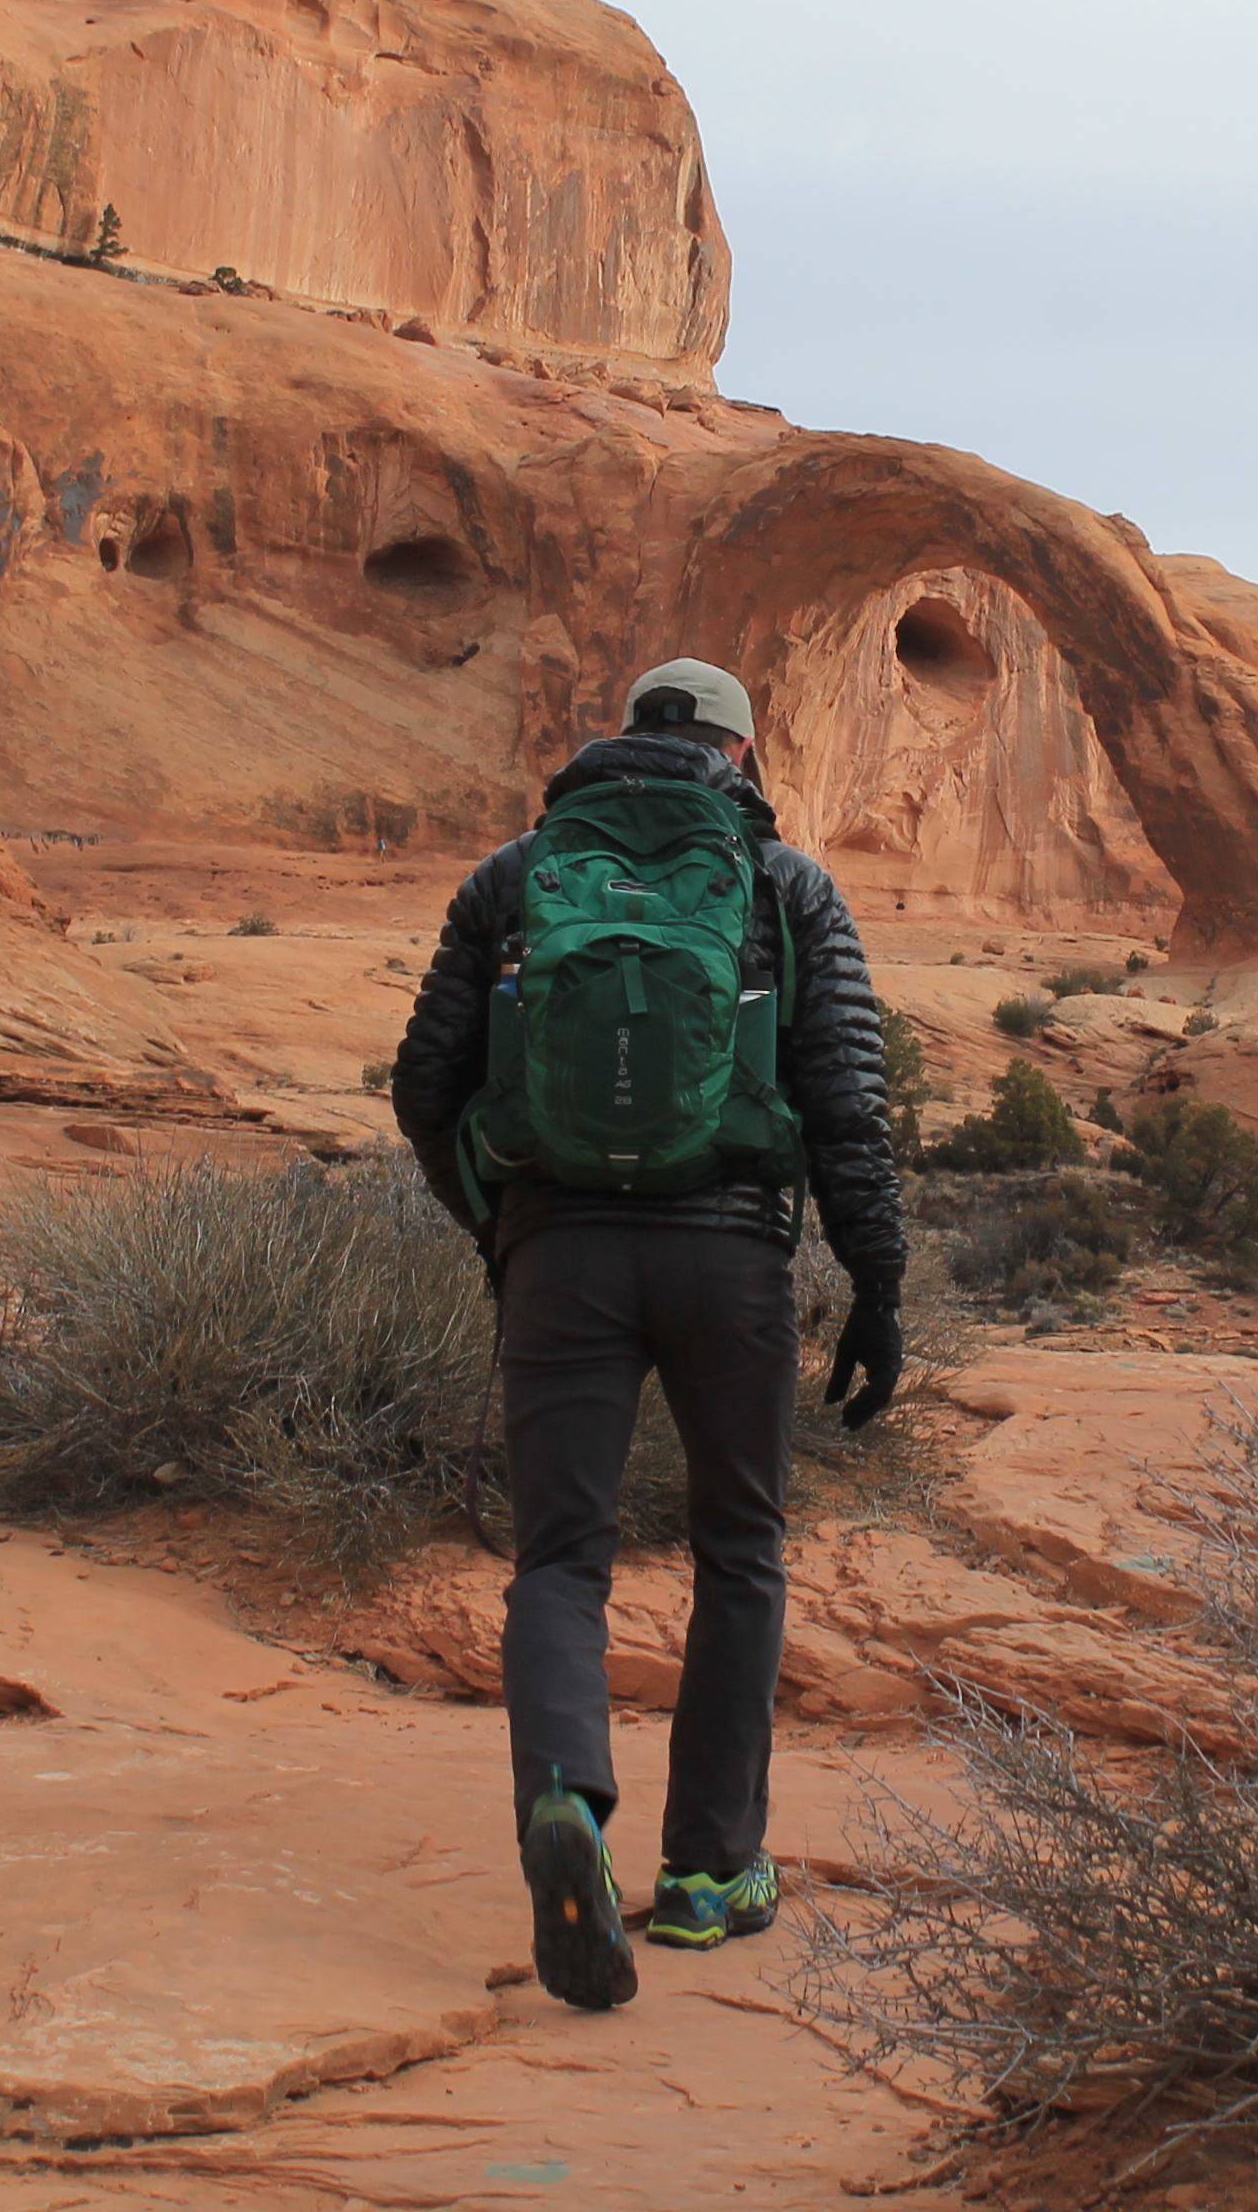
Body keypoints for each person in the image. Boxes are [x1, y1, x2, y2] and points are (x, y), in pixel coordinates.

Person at [389, 656, 907, 2012]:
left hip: (561, 1249)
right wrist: (880, 1286)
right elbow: (847, 1102)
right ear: (740, 753)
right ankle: (709, 1874)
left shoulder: (516, 876)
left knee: (562, 1558)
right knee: (741, 1551)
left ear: (627, 740)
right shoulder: (787, 887)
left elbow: (423, 1081)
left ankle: (564, 1797)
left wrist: (497, 1223)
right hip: (730, 1255)